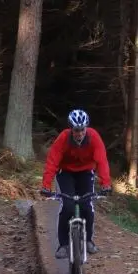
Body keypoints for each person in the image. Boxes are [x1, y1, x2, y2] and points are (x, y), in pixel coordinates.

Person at [41, 109, 112, 259]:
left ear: (86, 128)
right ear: (71, 129)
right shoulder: (63, 138)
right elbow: (52, 162)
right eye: (76, 130)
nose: (79, 133)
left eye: (82, 130)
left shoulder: (93, 137)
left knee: (87, 206)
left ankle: (88, 240)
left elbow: (102, 161)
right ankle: (63, 245)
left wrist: (106, 183)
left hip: (86, 173)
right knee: (67, 207)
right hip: (66, 173)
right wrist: (46, 185)